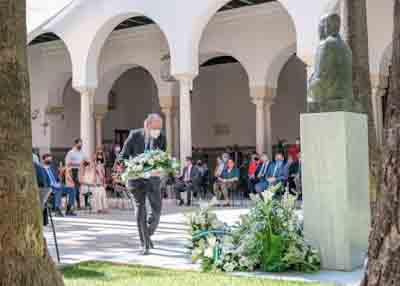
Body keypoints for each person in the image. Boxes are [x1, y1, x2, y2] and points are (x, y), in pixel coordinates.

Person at [118, 113, 166, 255]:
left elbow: (162, 158)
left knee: (156, 212)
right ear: (147, 125)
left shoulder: (162, 138)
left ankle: (147, 234)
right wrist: (128, 167)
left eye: (160, 128)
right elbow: (123, 155)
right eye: (155, 127)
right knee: (140, 208)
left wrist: (160, 169)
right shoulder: (135, 135)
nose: (158, 131)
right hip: (135, 178)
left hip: (153, 179)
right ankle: (144, 243)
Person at [65, 138, 86, 208]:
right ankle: (73, 205)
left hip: (80, 172)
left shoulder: (82, 153)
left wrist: (85, 163)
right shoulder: (71, 152)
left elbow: (84, 161)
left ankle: (78, 204)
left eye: (81, 143)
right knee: (74, 189)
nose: (81, 145)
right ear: (76, 144)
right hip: (73, 171)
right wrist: (77, 164)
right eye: (80, 143)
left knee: (78, 189)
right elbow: (67, 163)